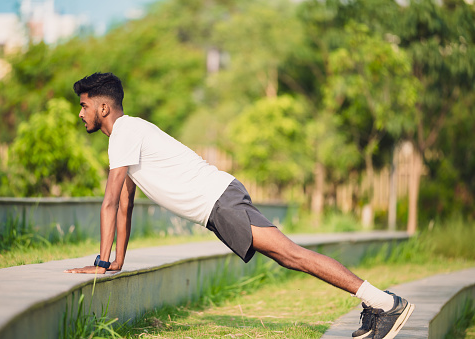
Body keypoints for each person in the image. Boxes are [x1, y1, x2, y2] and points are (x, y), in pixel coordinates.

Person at [65, 72, 414, 339]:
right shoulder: (128, 136)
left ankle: (384, 303)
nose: (81, 113)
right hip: (217, 203)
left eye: (84, 105)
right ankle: (377, 302)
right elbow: (124, 202)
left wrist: (100, 263)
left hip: (219, 200)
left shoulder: (125, 132)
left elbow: (109, 202)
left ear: (103, 106)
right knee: (288, 256)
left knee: (292, 254)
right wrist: (117, 261)